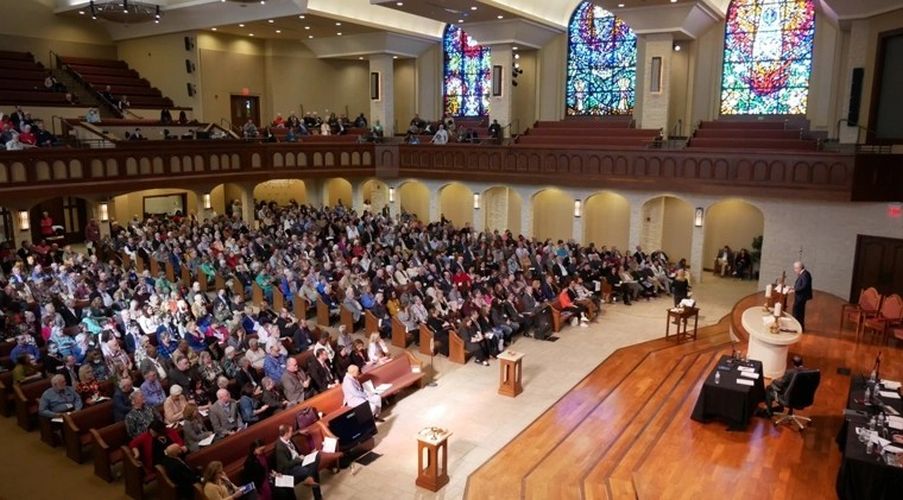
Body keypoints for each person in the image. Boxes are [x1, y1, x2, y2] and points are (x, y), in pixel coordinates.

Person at [273, 424, 322, 499]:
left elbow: (292, 433)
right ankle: (318, 496)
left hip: (299, 461)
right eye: (291, 432)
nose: (292, 433)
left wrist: (299, 432)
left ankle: (310, 478)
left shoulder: (286, 438)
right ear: (286, 434)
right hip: (291, 468)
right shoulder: (280, 448)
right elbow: (287, 464)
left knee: (317, 456)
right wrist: (298, 459)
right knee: (312, 471)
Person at [790, 261, 812, 330]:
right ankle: (799, 327)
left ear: (799, 268)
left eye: (795, 269)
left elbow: (804, 286)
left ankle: (797, 328)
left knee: (797, 312)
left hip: (801, 297)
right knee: (799, 312)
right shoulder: (804, 273)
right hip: (801, 296)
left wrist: (795, 290)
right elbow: (801, 284)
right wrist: (794, 287)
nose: (795, 270)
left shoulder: (805, 274)